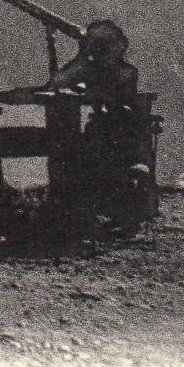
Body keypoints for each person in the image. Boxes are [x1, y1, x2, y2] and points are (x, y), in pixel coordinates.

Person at [48, 20, 149, 238]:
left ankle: (108, 213)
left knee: (95, 159)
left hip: (122, 129)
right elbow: (58, 81)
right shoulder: (94, 68)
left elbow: (106, 88)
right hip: (102, 129)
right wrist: (81, 58)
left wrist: (83, 60)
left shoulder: (126, 71)